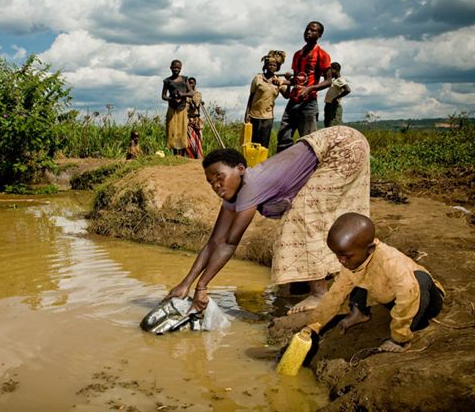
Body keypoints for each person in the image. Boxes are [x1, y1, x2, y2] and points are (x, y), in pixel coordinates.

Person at [164, 125, 370, 314]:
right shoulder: (234, 194)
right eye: (211, 182)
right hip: (334, 143)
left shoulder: (250, 186)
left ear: (240, 169)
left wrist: (202, 286)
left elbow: (229, 242)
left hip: (342, 146)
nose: (216, 185)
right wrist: (186, 284)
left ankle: (319, 294)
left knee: (300, 218)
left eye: (219, 176)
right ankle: (320, 280)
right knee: (317, 212)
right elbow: (214, 242)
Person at [304, 212, 445, 352]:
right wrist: (313, 325)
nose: (341, 260)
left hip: (423, 301)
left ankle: (404, 341)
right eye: (338, 255)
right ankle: (360, 313)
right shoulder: (355, 260)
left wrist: (399, 334)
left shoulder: (391, 261)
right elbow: (335, 295)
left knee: (420, 279)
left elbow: (409, 296)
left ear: (370, 248)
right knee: (354, 276)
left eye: (346, 256)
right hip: (391, 296)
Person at [276, 21, 332, 153]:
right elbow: (297, 80)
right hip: (293, 101)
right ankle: (282, 169)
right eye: (307, 29)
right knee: (284, 137)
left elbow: (329, 81)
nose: (308, 32)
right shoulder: (297, 54)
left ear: (320, 35)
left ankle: (309, 171)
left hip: (308, 103)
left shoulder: (322, 54)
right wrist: (285, 81)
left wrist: (310, 89)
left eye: (313, 30)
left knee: (309, 141)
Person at [244, 50, 290, 149]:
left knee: (264, 145)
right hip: (254, 116)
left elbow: (287, 95)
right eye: (269, 65)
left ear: (277, 67)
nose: (272, 67)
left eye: (274, 65)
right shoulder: (258, 78)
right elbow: (251, 96)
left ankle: (262, 163)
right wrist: (247, 114)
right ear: (265, 66)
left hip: (268, 117)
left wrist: (288, 82)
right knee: (252, 143)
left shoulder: (278, 81)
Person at [162, 60, 193, 156]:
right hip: (172, 108)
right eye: (174, 67)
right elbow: (163, 96)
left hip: (182, 108)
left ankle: (182, 154)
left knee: (182, 130)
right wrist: (171, 98)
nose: (176, 69)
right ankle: (175, 154)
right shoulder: (167, 81)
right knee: (172, 130)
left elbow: (191, 93)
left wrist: (182, 94)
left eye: (178, 68)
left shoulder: (184, 79)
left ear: (181, 68)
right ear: (170, 68)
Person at [324, 62, 351, 127]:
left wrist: (336, 98)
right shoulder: (334, 80)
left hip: (334, 106)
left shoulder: (340, 80)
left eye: (330, 70)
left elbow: (347, 90)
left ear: (335, 70)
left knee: (333, 125)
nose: (329, 72)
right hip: (329, 105)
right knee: (328, 125)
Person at [186, 77, 204, 159]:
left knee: (199, 138)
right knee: (190, 139)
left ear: (195, 84)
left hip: (197, 120)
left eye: (192, 83)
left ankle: (199, 156)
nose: (190, 84)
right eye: (189, 83)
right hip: (188, 120)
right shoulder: (185, 94)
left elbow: (196, 104)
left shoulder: (197, 94)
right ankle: (192, 157)